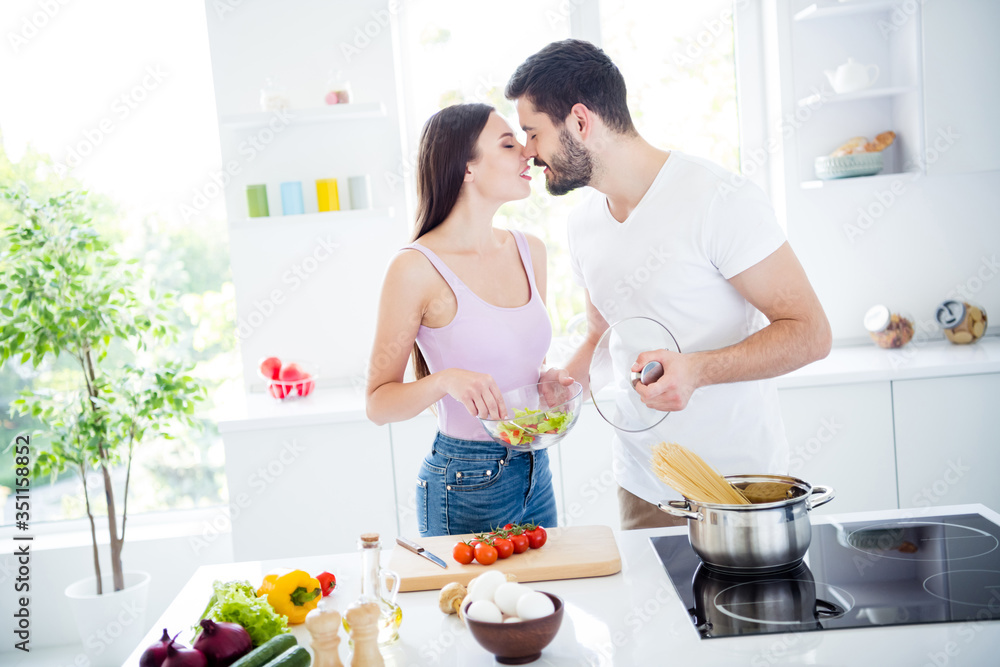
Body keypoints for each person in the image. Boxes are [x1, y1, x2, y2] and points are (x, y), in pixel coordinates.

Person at [505, 39, 832, 530]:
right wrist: (570, 380)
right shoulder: (583, 225)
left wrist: (696, 370)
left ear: (579, 121)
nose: (527, 152)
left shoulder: (719, 200)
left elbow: (811, 333)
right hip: (642, 485)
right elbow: (604, 330)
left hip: (737, 487)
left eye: (532, 133)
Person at [365, 103, 559, 537]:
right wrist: (444, 381)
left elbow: (517, 358)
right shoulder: (415, 268)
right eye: (508, 144)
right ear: (466, 168)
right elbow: (377, 404)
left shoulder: (531, 251)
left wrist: (544, 381)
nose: (527, 152)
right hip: (466, 480)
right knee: (470, 605)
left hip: (535, 465)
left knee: (547, 602)